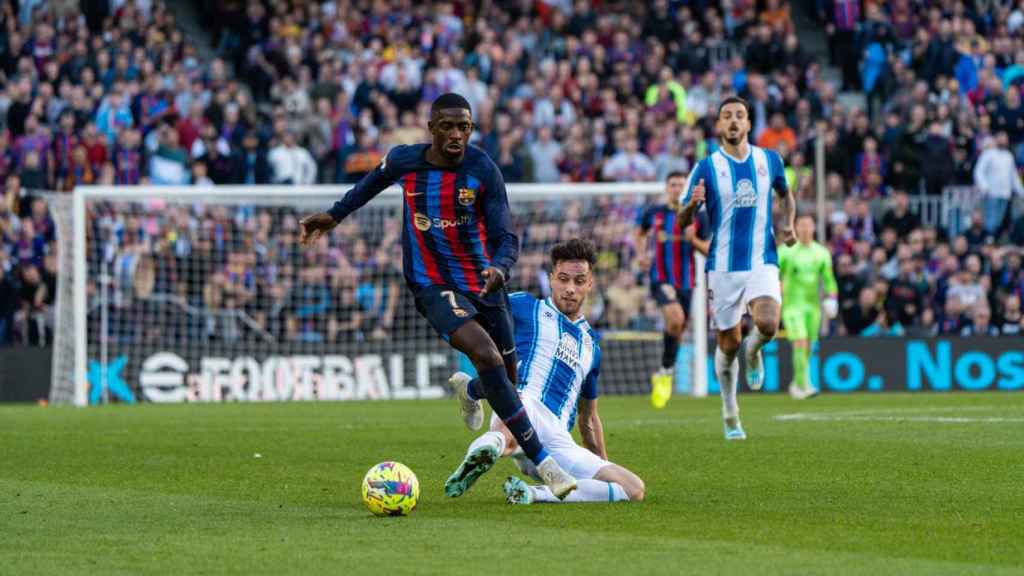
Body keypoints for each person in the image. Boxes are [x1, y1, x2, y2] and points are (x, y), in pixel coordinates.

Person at [298, 93, 576, 499]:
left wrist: (500, 267)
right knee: (486, 356)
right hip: (431, 283)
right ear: (432, 128)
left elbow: (505, 236)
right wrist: (334, 215)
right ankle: (545, 462)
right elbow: (368, 185)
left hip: (484, 282)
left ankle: (470, 391)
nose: (456, 134)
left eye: (464, 126)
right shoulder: (405, 161)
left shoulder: (483, 169)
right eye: (447, 126)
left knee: (506, 384)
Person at [444, 239, 645, 504]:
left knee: (633, 489)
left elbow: (588, 419)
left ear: (590, 284)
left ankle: (531, 493)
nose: (570, 289)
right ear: (551, 279)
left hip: (558, 440)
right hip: (522, 404)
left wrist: (599, 464)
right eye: (563, 279)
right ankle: (487, 447)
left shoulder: (591, 346)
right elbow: (478, 312)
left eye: (578, 281)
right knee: (511, 428)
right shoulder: (526, 306)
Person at [678, 96, 796, 440]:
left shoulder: (769, 160)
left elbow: (786, 195)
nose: (733, 121)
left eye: (739, 116)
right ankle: (730, 412)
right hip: (723, 267)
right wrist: (692, 206)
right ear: (718, 126)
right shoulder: (705, 168)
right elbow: (681, 217)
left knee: (769, 323)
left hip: (762, 259)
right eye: (727, 116)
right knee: (727, 344)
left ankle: (755, 350)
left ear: (747, 124)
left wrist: (787, 224)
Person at [635, 171, 709, 408]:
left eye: (681, 184)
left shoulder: (698, 215)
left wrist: (693, 240)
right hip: (661, 277)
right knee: (675, 317)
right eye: (673, 184)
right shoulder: (654, 213)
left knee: (676, 327)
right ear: (667, 188)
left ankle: (664, 372)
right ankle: (665, 372)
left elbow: (708, 249)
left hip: (687, 282)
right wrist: (641, 254)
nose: (677, 188)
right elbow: (640, 232)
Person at [778, 214, 838, 399]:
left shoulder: (821, 253)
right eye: (801, 225)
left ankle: (797, 383)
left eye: (808, 225)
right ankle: (806, 385)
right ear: (795, 227)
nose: (804, 228)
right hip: (792, 306)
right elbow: (775, 276)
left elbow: (829, 280)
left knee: (808, 346)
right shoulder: (786, 251)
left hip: (813, 307)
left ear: (814, 227)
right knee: (800, 341)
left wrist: (832, 298)